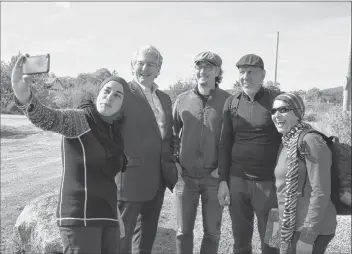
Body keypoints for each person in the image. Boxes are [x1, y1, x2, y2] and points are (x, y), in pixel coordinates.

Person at [11, 55, 128, 254]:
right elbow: (47, 118)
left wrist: (116, 214)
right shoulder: (80, 120)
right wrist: (24, 96)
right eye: (106, 91)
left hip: (108, 215)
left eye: (117, 95)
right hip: (80, 216)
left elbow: (108, 178)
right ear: (98, 93)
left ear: (123, 105)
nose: (110, 97)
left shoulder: (115, 134)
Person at [115, 45, 178, 254]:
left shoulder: (165, 99)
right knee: (121, 239)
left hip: (158, 180)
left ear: (159, 69)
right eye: (140, 63)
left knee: (146, 239)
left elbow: (168, 136)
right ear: (132, 66)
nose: (145, 68)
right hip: (129, 178)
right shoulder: (122, 92)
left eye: (151, 64)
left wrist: (173, 160)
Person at [218, 54, 281, 254]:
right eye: (242, 72)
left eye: (251, 72)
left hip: (270, 185)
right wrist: (222, 181)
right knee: (240, 242)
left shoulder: (278, 100)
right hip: (237, 182)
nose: (246, 77)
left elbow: (292, 137)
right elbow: (224, 143)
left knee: (273, 240)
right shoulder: (231, 102)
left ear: (263, 74)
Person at [172, 51, 231, 254]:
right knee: (182, 231)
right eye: (198, 67)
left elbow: (233, 140)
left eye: (208, 67)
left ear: (217, 71)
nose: (202, 71)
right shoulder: (181, 100)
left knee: (212, 233)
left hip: (213, 178)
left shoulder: (228, 102)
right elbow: (171, 134)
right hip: (185, 177)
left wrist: (222, 171)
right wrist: (175, 162)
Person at [271, 92, 337, 254]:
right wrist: (275, 229)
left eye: (283, 109)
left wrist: (308, 237)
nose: (276, 115)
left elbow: (321, 191)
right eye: (273, 111)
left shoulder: (311, 140)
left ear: (298, 113)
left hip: (307, 228)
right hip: (285, 223)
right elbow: (281, 188)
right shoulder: (287, 142)